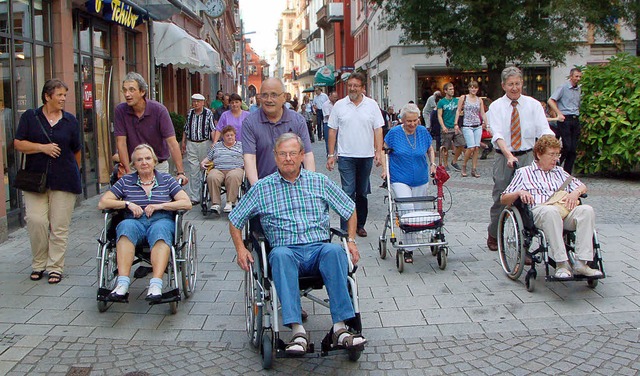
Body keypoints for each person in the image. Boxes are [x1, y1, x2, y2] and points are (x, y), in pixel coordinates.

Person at [229, 133, 366, 356]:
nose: (288, 158)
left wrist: (350, 241)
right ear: (275, 157)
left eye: (293, 153)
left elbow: (349, 209)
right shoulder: (263, 188)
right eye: (282, 154)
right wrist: (240, 248)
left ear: (302, 155)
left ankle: (340, 329)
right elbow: (235, 220)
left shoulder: (319, 181)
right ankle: (297, 331)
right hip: (285, 251)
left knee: (334, 251)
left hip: (318, 249)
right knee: (281, 256)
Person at [98, 144, 192, 301]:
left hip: (161, 219)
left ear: (154, 161)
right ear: (133, 164)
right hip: (134, 221)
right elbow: (103, 203)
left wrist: (160, 205)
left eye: (148, 158)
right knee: (125, 228)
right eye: (139, 159)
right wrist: (127, 204)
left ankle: (155, 285)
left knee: (160, 231)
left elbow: (186, 203)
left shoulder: (167, 180)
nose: (144, 162)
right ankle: (122, 284)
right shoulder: (126, 181)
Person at [500, 135, 602, 279]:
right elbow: (503, 198)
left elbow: (582, 186)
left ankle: (581, 263)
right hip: (539, 212)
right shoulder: (524, 173)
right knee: (551, 212)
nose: (556, 158)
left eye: (557, 154)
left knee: (587, 210)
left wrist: (575, 193)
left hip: (563, 212)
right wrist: (518, 192)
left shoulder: (559, 172)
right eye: (552, 154)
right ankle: (561, 263)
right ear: (539, 154)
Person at [14, 79, 82, 284]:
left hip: (64, 180)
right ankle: (38, 263)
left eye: (64, 95)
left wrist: (73, 171)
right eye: (59, 95)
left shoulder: (70, 121)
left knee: (59, 226)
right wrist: (42, 148)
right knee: (36, 221)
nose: (63, 99)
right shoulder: (30, 117)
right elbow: (18, 143)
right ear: (47, 96)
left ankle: (55, 267)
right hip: (35, 179)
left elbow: (76, 150)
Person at [486, 66, 554, 251]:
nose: (514, 88)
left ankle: (526, 235)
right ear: (503, 85)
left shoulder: (533, 105)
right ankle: (494, 233)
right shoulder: (496, 107)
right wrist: (508, 154)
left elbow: (544, 129)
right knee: (502, 195)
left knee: (529, 196)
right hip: (504, 156)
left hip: (528, 155)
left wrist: (551, 145)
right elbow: (497, 134)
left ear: (522, 83)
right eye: (510, 84)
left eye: (517, 83)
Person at [327, 72, 384, 237]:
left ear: (362, 88)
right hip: (346, 155)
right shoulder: (339, 105)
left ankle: (360, 224)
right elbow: (332, 130)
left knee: (361, 192)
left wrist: (378, 151)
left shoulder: (372, 105)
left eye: (356, 86)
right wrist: (331, 154)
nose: (352, 88)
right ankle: (346, 228)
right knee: (347, 191)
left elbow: (378, 129)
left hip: (365, 155)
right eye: (350, 85)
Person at [381, 103, 437, 263]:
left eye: (415, 120)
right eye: (409, 121)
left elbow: (430, 149)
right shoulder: (394, 133)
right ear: (402, 120)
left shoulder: (422, 132)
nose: (412, 124)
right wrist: (384, 170)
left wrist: (433, 164)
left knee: (418, 212)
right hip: (400, 177)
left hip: (420, 177)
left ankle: (414, 240)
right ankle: (408, 249)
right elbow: (384, 151)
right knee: (407, 210)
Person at [114, 72, 187, 183]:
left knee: (161, 197)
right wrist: (128, 171)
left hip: (158, 164)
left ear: (142, 91)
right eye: (124, 90)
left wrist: (180, 173)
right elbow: (121, 143)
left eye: (132, 90)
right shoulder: (120, 111)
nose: (127, 94)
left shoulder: (159, 110)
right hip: (134, 165)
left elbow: (172, 143)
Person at [242, 77, 315, 186]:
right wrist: (257, 189)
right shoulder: (250, 123)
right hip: (264, 185)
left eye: (274, 95)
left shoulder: (297, 120)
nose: (269, 100)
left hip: (295, 185)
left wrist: (310, 185)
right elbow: (249, 158)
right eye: (264, 95)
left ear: (284, 97)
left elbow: (307, 154)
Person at [180, 93, 215, 205]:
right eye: (193, 101)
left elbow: (212, 129)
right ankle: (195, 197)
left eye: (197, 102)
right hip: (192, 143)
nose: (195, 103)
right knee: (193, 170)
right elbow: (186, 128)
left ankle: (205, 193)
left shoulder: (208, 113)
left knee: (204, 169)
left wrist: (214, 143)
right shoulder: (190, 113)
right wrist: (184, 142)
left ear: (202, 103)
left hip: (204, 143)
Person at [200, 126, 244, 214]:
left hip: (235, 169)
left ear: (235, 136)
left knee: (233, 176)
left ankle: (230, 202)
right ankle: (216, 204)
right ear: (223, 137)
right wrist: (203, 163)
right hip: (218, 169)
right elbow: (208, 158)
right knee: (212, 176)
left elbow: (247, 158)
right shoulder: (216, 146)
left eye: (232, 135)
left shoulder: (241, 145)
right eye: (227, 135)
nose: (230, 137)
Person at [548, 67, 582, 174]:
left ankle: (567, 173)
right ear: (571, 76)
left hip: (575, 118)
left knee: (573, 149)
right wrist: (559, 113)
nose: (578, 79)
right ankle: (556, 164)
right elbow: (551, 100)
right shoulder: (563, 87)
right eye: (576, 76)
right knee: (567, 146)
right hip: (565, 118)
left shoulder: (579, 89)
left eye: (580, 77)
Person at [454, 81, 488, 178]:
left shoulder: (479, 100)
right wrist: (456, 123)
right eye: (471, 87)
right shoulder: (463, 98)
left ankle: (474, 168)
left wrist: (486, 122)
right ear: (469, 88)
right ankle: (464, 165)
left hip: (477, 125)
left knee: (477, 147)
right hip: (467, 125)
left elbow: (482, 112)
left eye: (475, 88)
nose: (473, 89)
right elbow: (458, 110)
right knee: (471, 147)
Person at [437, 83, 465, 171]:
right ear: (445, 91)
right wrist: (443, 126)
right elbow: (439, 115)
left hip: (455, 126)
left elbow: (460, 110)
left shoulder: (456, 100)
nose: (452, 91)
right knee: (445, 147)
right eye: (450, 89)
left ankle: (454, 161)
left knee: (461, 144)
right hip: (447, 126)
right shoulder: (441, 102)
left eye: (453, 89)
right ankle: (445, 164)